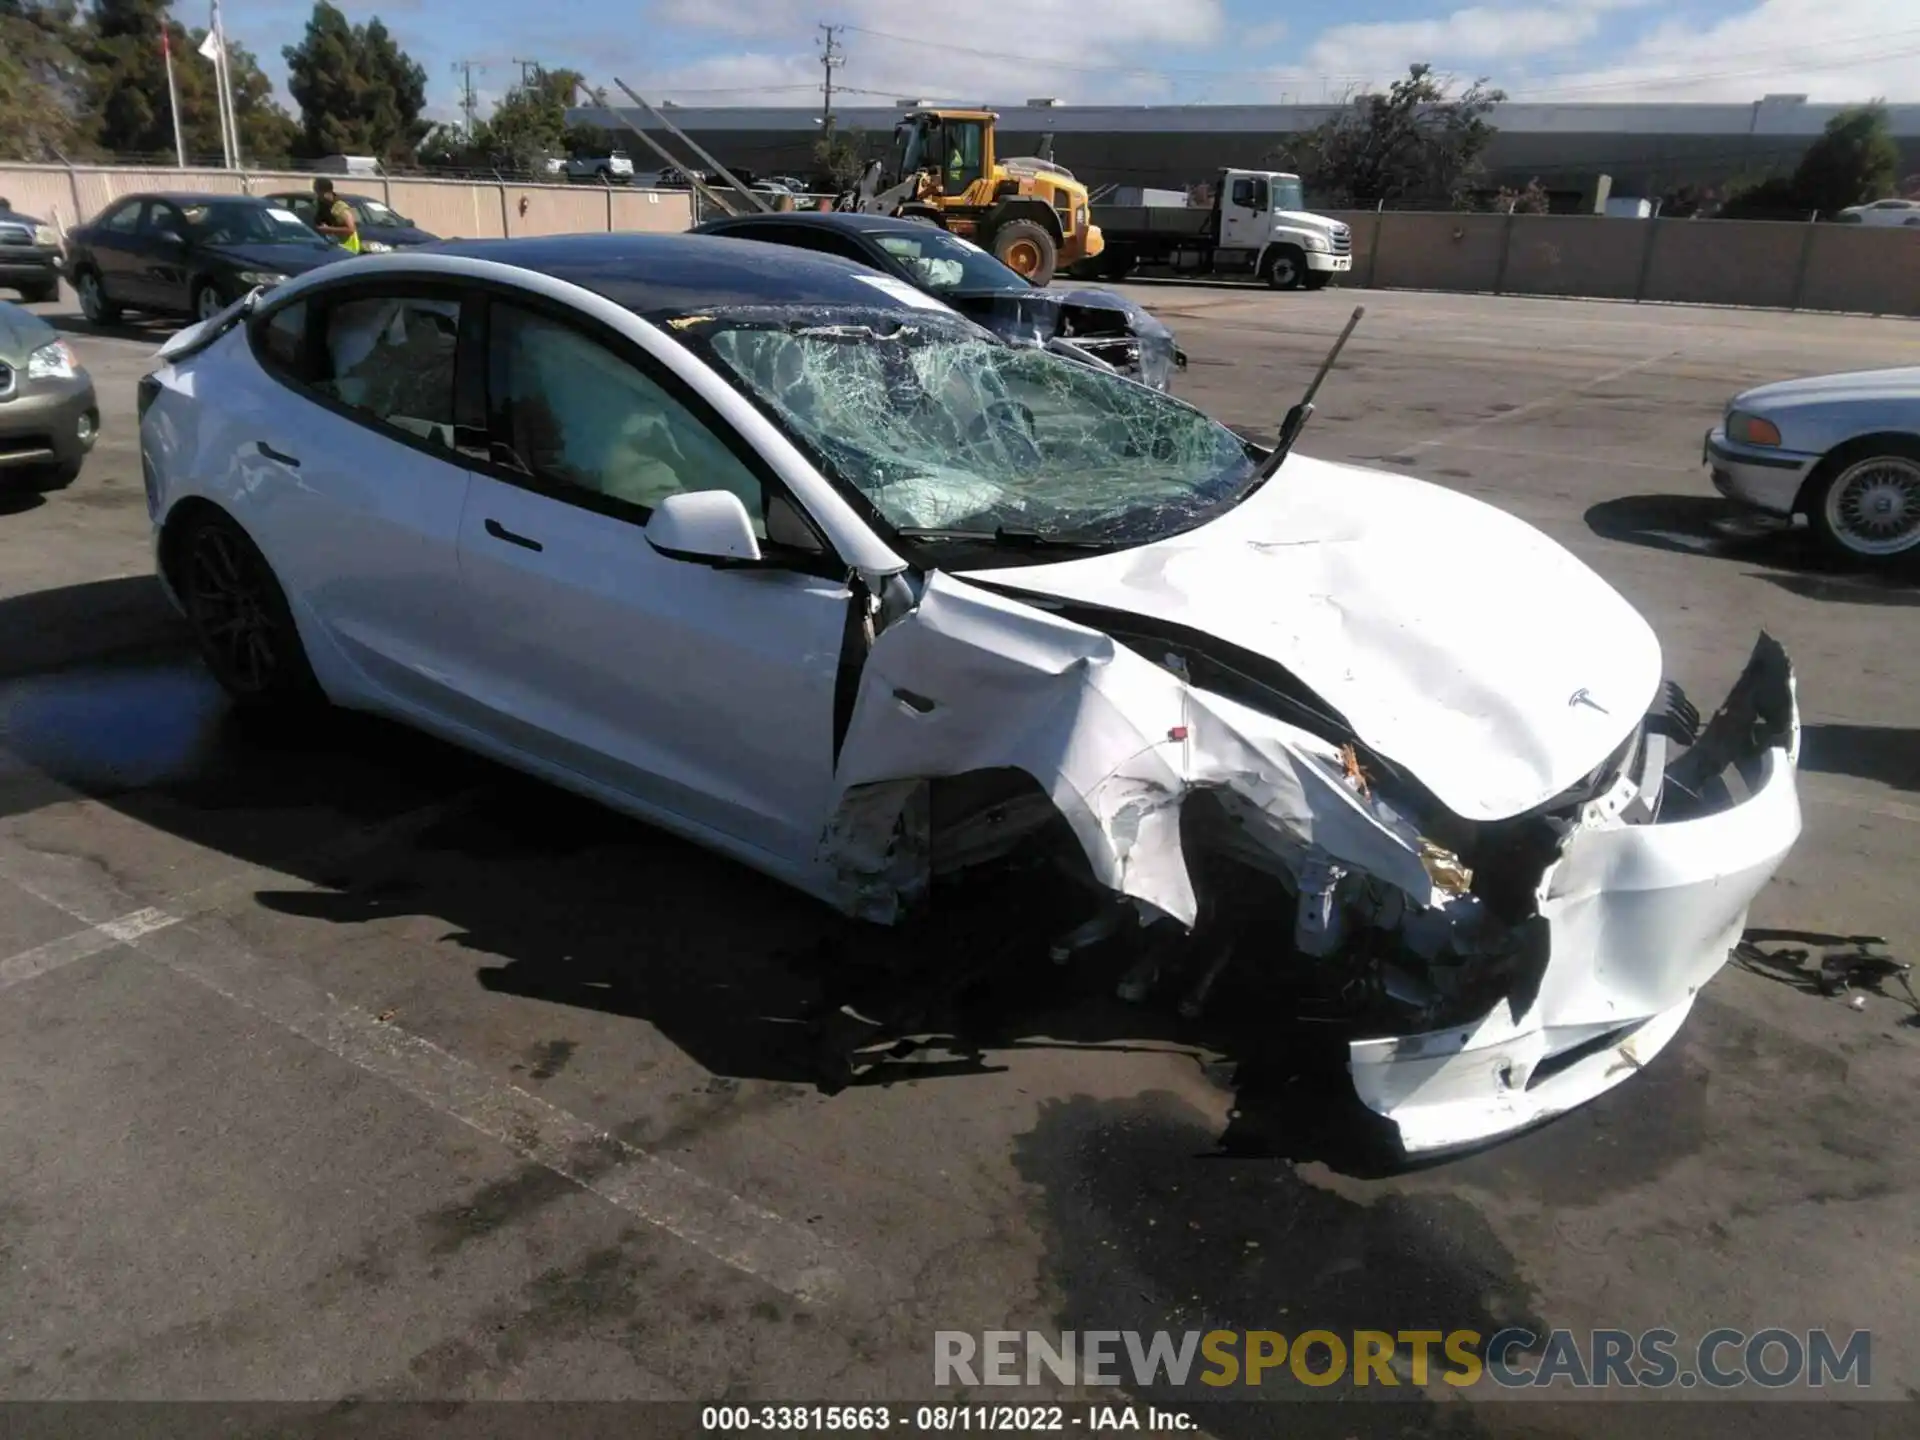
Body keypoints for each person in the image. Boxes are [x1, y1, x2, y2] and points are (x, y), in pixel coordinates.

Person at [311, 177, 360, 253]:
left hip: (348, 250)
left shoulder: (340, 207)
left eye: (317, 191)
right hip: (334, 248)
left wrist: (328, 229)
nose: (316, 194)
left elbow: (351, 229)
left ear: (325, 192)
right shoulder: (323, 206)